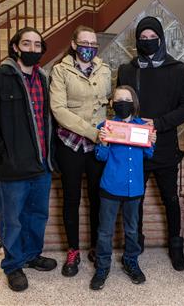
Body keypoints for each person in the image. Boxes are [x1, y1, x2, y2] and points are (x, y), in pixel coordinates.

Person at [0, 27, 57, 292]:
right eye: (26, 43)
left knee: (37, 215)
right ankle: (13, 264)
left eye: (37, 44)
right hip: (13, 166)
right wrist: (2, 146)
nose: (32, 49)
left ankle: (31, 255)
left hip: (42, 164)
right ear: (16, 47)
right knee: (12, 219)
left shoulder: (43, 77)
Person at [117, 16, 184, 271]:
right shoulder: (127, 70)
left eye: (152, 38)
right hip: (135, 149)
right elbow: (121, 107)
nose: (148, 42)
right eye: (143, 38)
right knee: (134, 200)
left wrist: (158, 123)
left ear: (160, 39)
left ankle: (176, 246)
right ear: (137, 41)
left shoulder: (176, 69)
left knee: (170, 198)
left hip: (164, 146)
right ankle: (134, 244)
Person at [50, 25, 112, 277]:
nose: (89, 47)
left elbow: (109, 103)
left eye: (93, 43)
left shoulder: (105, 69)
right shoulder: (60, 70)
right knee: (72, 199)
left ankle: (96, 247)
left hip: (98, 144)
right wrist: (91, 132)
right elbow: (59, 109)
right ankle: (73, 250)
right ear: (74, 44)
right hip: (71, 144)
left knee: (97, 197)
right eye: (84, 42)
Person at [89, 85, 156, 290]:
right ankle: (102, 266)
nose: (123, 103)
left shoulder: (142, 127)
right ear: (112, 103)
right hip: (110, 187)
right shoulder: (107, 126)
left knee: (132, 229)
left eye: (127, 99)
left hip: (134, 188)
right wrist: (103, 143)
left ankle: (131, 262)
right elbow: (100, 157)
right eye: (118, 99)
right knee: (105, 231)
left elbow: (148, 155)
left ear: (133, 102)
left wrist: (151, 141)